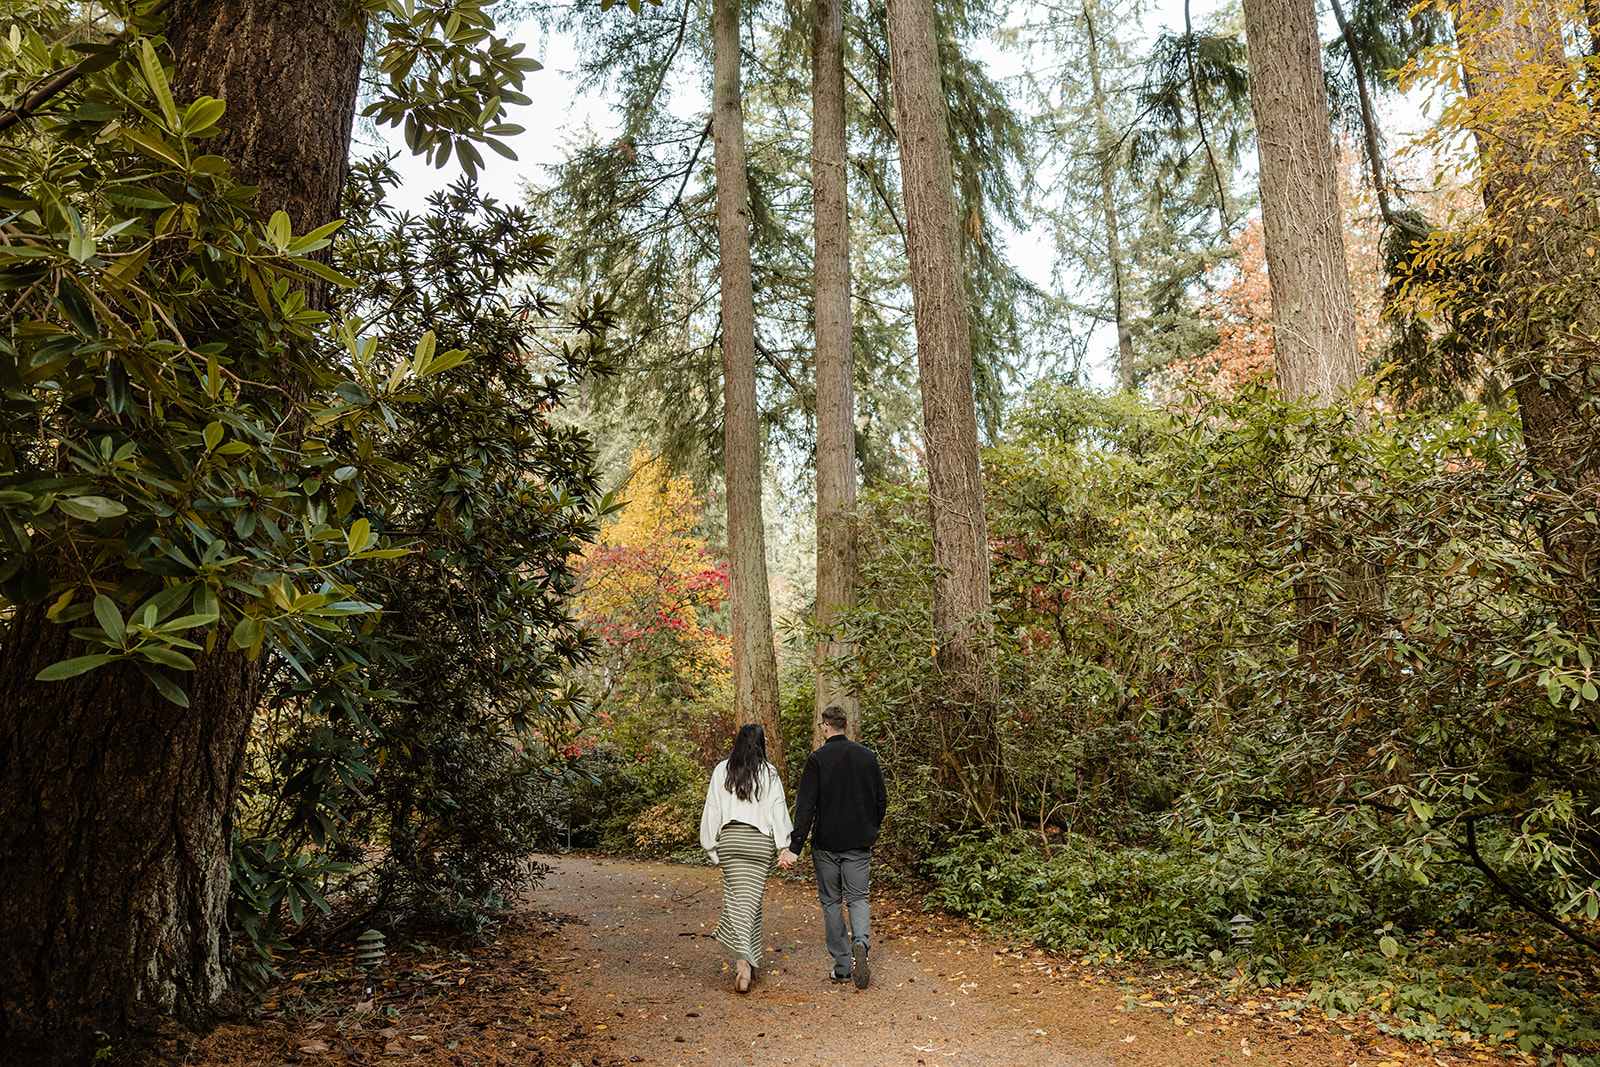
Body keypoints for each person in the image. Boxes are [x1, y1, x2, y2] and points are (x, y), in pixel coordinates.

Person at [778, 705, 887, 989]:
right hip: (859, 842)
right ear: (846, 727)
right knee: (859, 898)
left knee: (831, 902)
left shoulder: (817, 760)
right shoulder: (867, 757)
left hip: (826, 844)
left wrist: (794, 847)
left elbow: (805, 808)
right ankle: (860, 942)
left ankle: (842, 968)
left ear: (825, 727)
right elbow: (881, 800)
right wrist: (871, 828)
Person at [699, 723, 793, 993]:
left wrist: (710, 846)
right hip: (758, 844)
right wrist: (784, 845)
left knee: (739, 903)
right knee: (750, 904)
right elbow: (778, 810)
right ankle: (745, 966)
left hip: (731, 842)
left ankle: (745, 965)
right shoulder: (769, 772)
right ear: (761, 744)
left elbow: (712, 810)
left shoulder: (721, 770)